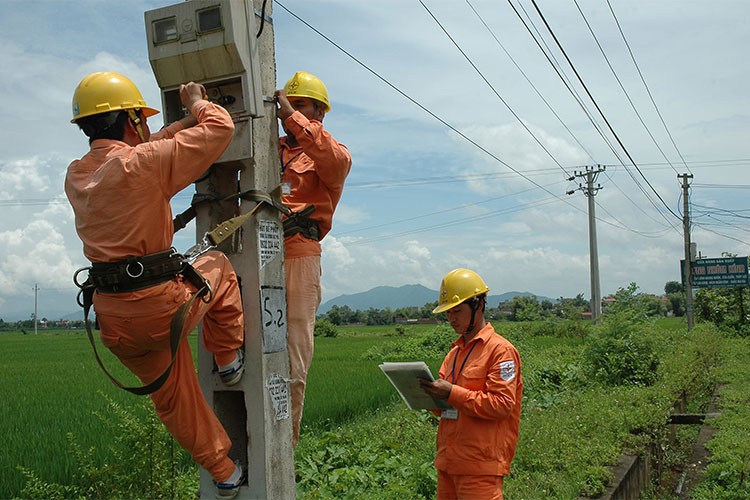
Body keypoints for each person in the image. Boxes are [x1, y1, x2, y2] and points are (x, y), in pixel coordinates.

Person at [65, 72, 246, 498]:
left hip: (115, 321)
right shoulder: (143, 163)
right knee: (217, 264)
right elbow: (220, 127)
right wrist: (199, 103)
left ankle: (225, 473)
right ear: (132, 120)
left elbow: (149, 147)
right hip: (162, 306)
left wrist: (180, 125)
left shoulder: (76, 175)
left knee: (173, 399)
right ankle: (228, 359)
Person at [274, 71, 352, 445]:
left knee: (293, 351)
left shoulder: (330, 154)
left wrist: (292, 116)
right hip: (257, 249)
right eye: (289, 104)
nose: (288, 113)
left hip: (299, 252)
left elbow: (334, 160)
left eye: (301, 104)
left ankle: (285, 444)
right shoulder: (268, 148)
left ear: (319, 113)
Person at [419, 268, 523, 500]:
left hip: (480, 467)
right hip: (448, 463)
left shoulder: (501, 351)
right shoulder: (454, 353)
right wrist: (426, 396)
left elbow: (502, 405)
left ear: (479, 305)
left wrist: (452, 392)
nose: (452, 318)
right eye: (448, 313)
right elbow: (444, 408)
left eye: (457, 311)